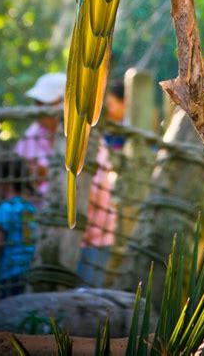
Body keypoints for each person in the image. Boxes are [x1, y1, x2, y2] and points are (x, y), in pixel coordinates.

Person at [77, 79, 126, 287]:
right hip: (92, 228)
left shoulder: (123, 132)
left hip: (101, 228)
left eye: (110, 103)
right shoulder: (101, 134)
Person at [0, 158, 37, 299]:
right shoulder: (29, 208)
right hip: (30, 270)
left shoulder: (4, 208)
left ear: (2, 183)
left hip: (11, 273)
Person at [15, 73, 66, 197]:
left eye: (46, 103)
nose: (39, 109)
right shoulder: (31, 134)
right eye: (37, 102)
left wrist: (49, 174)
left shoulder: (87, 137)